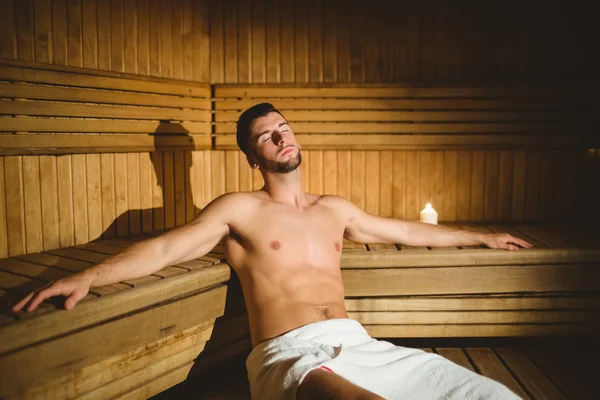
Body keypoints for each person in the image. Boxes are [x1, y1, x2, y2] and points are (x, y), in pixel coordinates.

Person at [13, 103, 532, 400]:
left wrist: (482, 237)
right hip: (294, 356)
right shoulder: (240, 209)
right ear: (252, 157)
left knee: (491, 396)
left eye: (282, 128)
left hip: (360, 344)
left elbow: (407, 230)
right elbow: (169, 247)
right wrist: (89, 278)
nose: (279, 137)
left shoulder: (336, 208)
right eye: (265, 137)